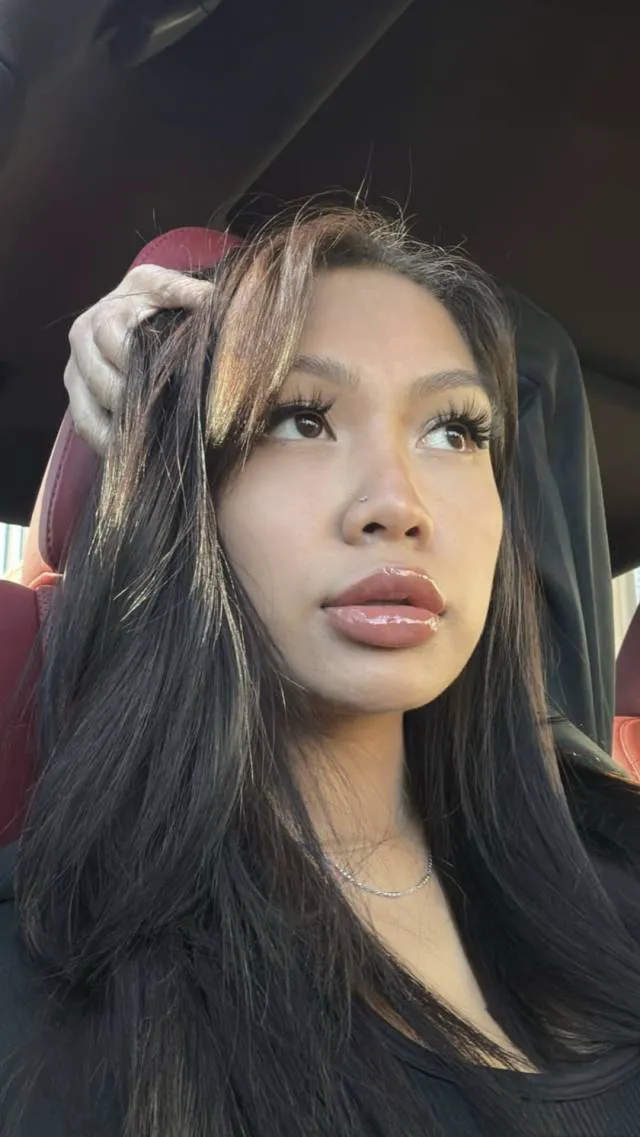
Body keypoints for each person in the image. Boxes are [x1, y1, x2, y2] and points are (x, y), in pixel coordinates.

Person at [1, 206, 640, 1137]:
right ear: (187, 498)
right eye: (301, 418)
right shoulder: (47, 988)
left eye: (454, 431)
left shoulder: (613, 855)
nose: (399, 504)